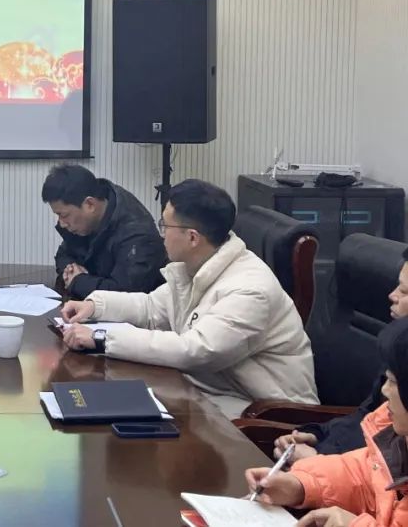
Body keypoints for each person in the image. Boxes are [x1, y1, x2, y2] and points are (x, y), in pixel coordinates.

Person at [61, 178, 318, 418]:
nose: (161, 234)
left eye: (165, 226)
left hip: (266, 414)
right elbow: (151, 308)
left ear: (192, 237)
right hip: (212, 391)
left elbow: (195, 350)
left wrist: (102, 337)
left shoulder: (249, 289)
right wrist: (95, 306)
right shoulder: (197, 266)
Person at [245, 316, 408, 527]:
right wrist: (302, 485)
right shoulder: (394, 433)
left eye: (394, 382)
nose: (385, 391)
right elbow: (364, 474)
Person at [272, 249, 408, 465]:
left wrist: (320, 460)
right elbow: (367, 417)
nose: (392, 295)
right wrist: (318, 435)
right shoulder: (400, 348)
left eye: (404, 291)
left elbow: (381, 469)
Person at [41, 164, 166, 298]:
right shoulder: (84, 221)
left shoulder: (137, 233)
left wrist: (79, 281)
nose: (61, 223)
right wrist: (71, 269)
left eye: (64, 215)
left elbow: (125, 294)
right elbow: (63, 255)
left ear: (90, 204)